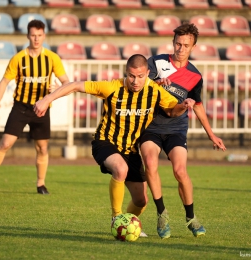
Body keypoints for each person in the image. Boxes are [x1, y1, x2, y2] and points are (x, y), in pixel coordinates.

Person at [33, 54, 195, 232]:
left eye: (141, 76)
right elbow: (74, 85)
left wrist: (184, 105)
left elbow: (172, 110)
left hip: (130, 150)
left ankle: (126, 224)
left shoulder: (154, 90)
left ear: (148, 73)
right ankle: (116, 218)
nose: (135, 81)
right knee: (121, 169)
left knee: (141, 201)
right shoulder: (111, 87)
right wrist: (46, 99)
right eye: (131, 76)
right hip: (105, 142)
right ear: (126, 73)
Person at [139, 23, 227, 239]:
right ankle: (162, 214)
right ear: (173, 42)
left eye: (185, 45)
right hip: (150, 125)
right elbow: (138, 85)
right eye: (178, 44)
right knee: (150, 163)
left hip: (176, 127)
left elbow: (197, 105)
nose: (180, 48)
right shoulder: (156, 62)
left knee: (180, 172)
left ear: (193, 46)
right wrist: (155, 82)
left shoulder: (195, 76)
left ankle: (191, 217)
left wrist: (211, 134)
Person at [0, 20, 69, 194]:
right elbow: (4, 81)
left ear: (44, 36)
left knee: (42, 147)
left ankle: (41, 184)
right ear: (27, 36)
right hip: (21, 107)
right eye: (33, 35)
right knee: (5, 144)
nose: (36, 39)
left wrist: (57, 89)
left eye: (39, 35)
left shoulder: (52, 58)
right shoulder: (19, 58)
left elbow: (66, 82)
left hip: (41, 109)